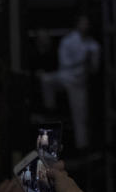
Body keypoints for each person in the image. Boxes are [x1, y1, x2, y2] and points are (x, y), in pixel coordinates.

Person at [40, 15, 101, 150]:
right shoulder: (68, 41)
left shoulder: (93, 46)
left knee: (81, 117)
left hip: (79, 83)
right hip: (65, 76)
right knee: (46, 80)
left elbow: (94, 69)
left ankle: (83, 147)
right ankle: (50, 109)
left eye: (87, 23)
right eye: (83, 23)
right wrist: (82, 59)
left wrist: (89, 60)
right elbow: (64, 63)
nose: (85, 26)